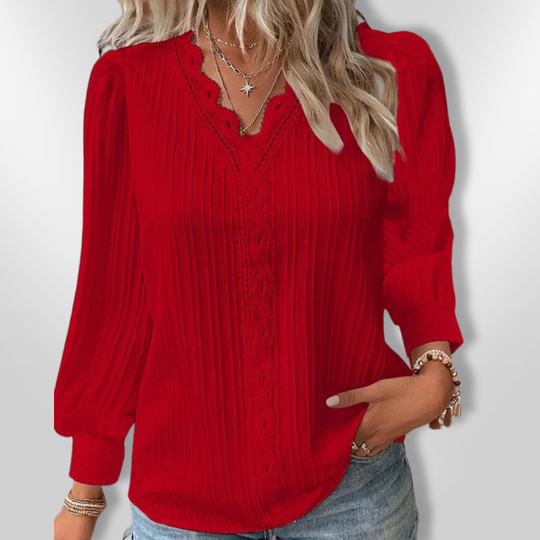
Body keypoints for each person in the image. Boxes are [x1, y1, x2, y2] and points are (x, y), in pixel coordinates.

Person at [53, 1, 464, 539]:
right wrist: (84, 495)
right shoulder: (129, 85)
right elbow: (114, 298)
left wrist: (435, 373)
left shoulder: (384, 70)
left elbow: (415, 236)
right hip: (182, 505)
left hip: (354, 490)